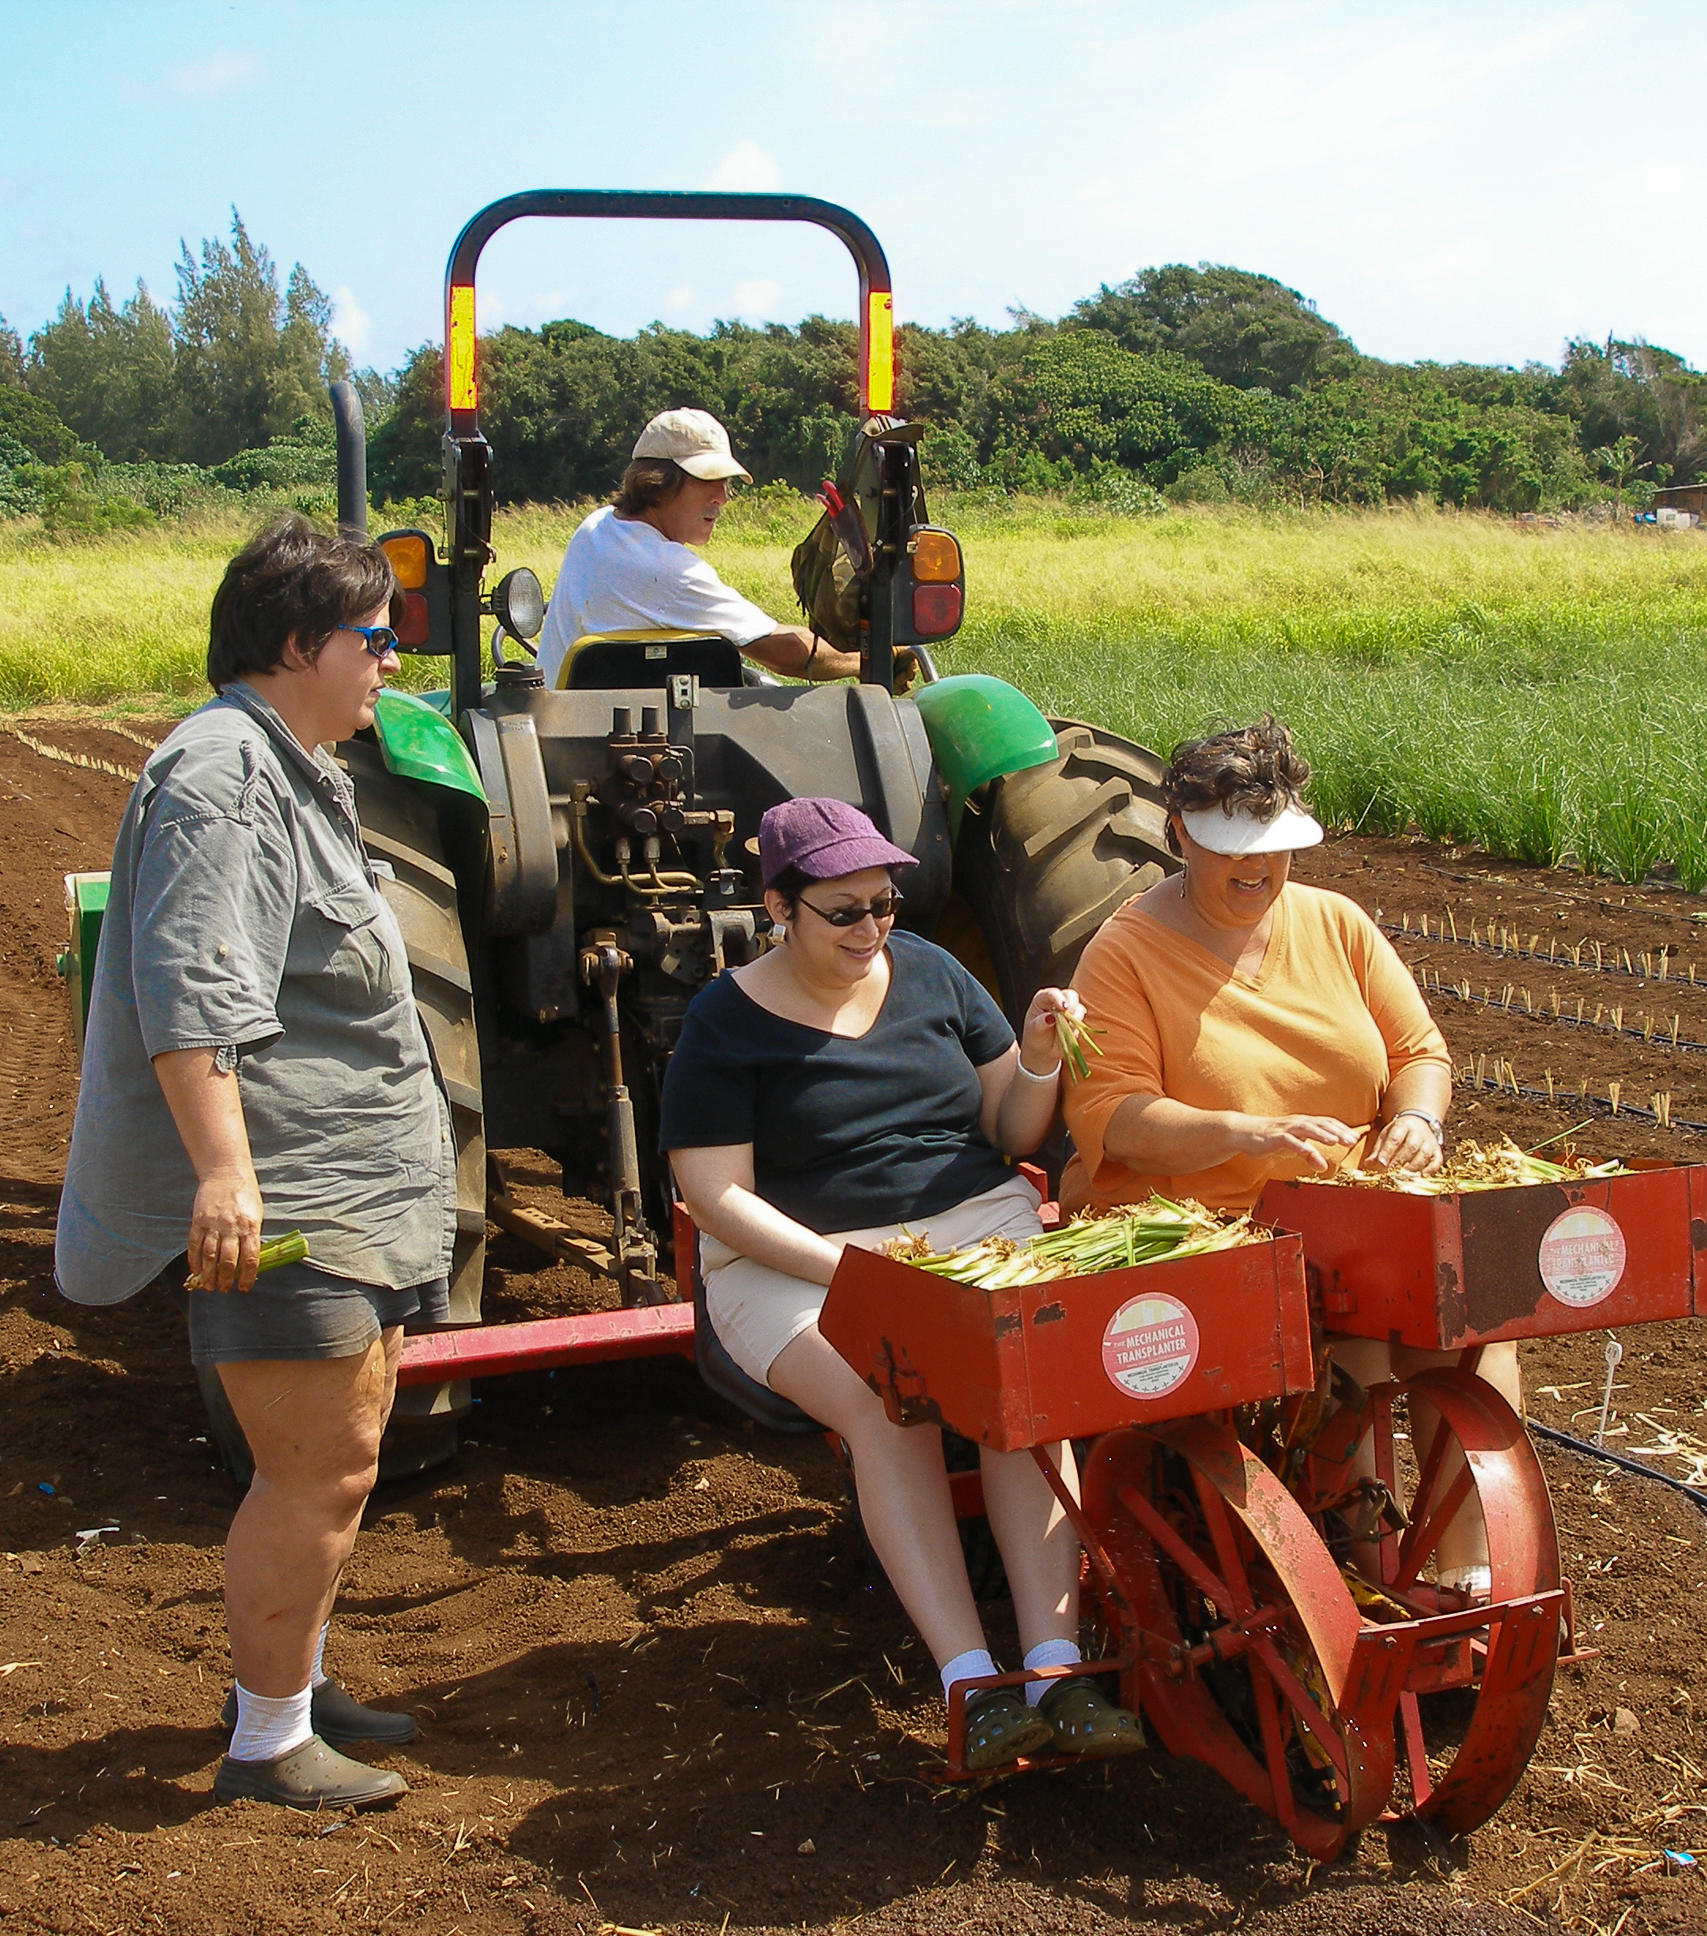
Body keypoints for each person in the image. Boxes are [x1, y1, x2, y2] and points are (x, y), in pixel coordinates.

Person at [56, 515, 453, 1810]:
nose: (389, 663)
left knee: (346, 1453)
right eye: (373, 640)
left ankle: (296, 1682)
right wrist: (225, 1176)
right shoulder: (223, 775)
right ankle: (271, 1742)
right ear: (298, 644)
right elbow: (194, 992)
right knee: (316, 1469)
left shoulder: (288, 762)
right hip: (289, 1197)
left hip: (343, 1185)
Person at [661, 797, 1147, 1769]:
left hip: (967, 1229)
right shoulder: (724, 1020)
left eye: (883, 904)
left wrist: (1040, 1059)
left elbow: (1011, 1132)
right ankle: (971, 1681)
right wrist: (852, 1268)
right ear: (777, 908)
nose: (871, 929)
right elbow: (713, 1195)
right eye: (842, 911)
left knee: (1024, 1385)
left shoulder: (931, 973)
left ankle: (1054, 1670)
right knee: (889, 1398)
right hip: (796, 1262)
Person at [1059, 718, 1512, 1597]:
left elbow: (1419, 1051)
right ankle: (1362, 1579)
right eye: (1232, 849)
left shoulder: (1334, 922)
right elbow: (1112, 1117)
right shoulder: (1124, 951)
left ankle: (1472, 1572)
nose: (1256, 870)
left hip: (1344, 1213)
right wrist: (1244, 1134)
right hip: (1204, 1227)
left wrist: (1418, 1121)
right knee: (1363, 1356)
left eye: (1272, 849)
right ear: (1179, 833)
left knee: (1469, 1332)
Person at [534, 407, 863, 687]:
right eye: (707, 480)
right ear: (658, 482)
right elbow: (786, 652)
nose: (722, 497)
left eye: (725, 482)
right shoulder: (667, 570)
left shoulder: (597, 526)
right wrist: (871, 659)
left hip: (565, 722)